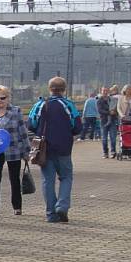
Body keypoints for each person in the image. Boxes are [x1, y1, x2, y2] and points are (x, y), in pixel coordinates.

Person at [28, 77, 82, 223]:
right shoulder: (69, 105)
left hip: (44, 149)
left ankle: (51, 214)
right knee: (66, 177)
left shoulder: (40, 105)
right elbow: (77, 127)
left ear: (50, 89)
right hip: (64, 148)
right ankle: (62, 207)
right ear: (64, 90)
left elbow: (31, 124)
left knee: (48, 180)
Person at [0, 86, 30, 217]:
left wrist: (26, 152)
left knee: (14, 179)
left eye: (2, 98)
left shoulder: (16, 111)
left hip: (13, 150)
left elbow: (23, 132)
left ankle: (17, 206)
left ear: (8, 98)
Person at [97, 86, 119, 158]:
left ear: (108, 92)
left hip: (113, 120)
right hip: (104, 121)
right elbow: (100, 111)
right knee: (104, 138)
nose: (105, 92)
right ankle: (105, 152)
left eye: (106, 91)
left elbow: (117, 109)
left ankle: (113, 152)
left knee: (113, 137)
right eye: (104, 91)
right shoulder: (99, 101)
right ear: (101, 91)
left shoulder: (113, 100)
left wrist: (115, 112)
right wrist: (109, 112)